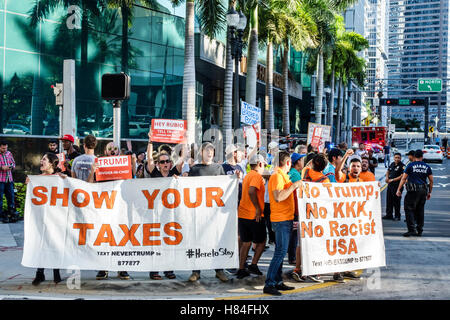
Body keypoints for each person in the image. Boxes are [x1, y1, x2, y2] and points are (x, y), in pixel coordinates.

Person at [88, 142, 131, 281]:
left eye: (115, 149)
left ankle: (121, 268)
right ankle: (103, 268)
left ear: (118, 152)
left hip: (120, 207)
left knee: (121, 236)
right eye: (110, 149)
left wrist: (133, 165)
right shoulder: (99, 165)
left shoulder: (124, 165)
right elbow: (90, 185)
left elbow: (133, 181)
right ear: (106, 152)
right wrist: (93, 171)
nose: (112, 151)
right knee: (104, 237)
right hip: (104, 207)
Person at [188, 142, 229, 283]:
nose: (209, 152)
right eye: (207, 150)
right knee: (198, 241)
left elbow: (227, 186)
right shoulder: (195, 169)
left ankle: (219, 270)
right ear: (201, 152)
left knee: (216, 241)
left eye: (211, 149)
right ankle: (196, 271)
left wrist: (236, 177)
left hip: (215, 213)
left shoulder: (219, 168)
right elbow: (187, 189)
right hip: (199, 213)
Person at [263, 151, 302, 296]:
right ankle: (270, 283)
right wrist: (293, 186)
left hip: (285, 218)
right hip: (281, 219)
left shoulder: (281, 176)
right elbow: (278, 196)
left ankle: (277, 281)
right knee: (280, 252)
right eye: (290, 163)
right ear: (287, 163)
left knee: (281, 251)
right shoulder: (277, 176)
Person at [26, 152, 66, 285]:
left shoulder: (60, 177)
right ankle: (40, 273)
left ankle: (56, 272)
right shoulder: (37, 179)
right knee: (41, 243)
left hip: (56, 218)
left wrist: (65, 179)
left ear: (51, 163)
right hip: (41, 218)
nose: (41, 161)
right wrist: (29, 183)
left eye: (44, 159)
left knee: (54, 243)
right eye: (42, 159)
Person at [235, 154, 267, 279]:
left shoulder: (248, 175)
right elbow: (252, 191)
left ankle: (241, 268)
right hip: (254, 215)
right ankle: (253, 264)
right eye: (263, 164)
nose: (264, 166)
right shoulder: (256, 176)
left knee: (246, 242)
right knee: (262, 241)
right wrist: (258, 208)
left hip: (243, 214)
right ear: (259, 164)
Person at [396, 150, 433, 237]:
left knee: (408, 208)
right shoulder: (427, 167)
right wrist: (430, 192)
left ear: (414, 157)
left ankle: (411, 229)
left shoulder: (410, 165)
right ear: (422, 157)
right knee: (420, 210)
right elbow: (431, 181)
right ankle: (420, 230)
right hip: (423, 190)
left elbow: (403, 178)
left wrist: (398, 189)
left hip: (413, 190)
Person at [287, 153, 306, 265]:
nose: (303, 161)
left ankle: (292, 256)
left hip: (293, 208)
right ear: (298, 162)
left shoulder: (295, 173)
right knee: (294, 234)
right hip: (295, 208)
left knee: (293, 233)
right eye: (302, 159)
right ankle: (292, 257)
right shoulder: (295, 175)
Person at [383, 152, 405, 221]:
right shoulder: (392, 164)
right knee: (389, 200)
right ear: (393, 158)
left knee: (396, 201)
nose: (397, 159)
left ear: (400, 158)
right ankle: (389, 214)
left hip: (397, 186)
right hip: (390, 185)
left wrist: (392, 180)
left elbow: (402, 176)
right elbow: (388, 171)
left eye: (398, 158)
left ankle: (397, 216)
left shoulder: (402, 166)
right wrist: (387, 178)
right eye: (396, 157)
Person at [0, 141, 17, 223]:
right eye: (3, 148)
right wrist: (1, 167)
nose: (5, 149)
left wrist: (11, 167)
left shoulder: (9, 153)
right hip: (0, 180)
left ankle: (11, 214)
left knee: (11, 197)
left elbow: (13, 163)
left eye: (6, 148)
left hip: (9, 179)